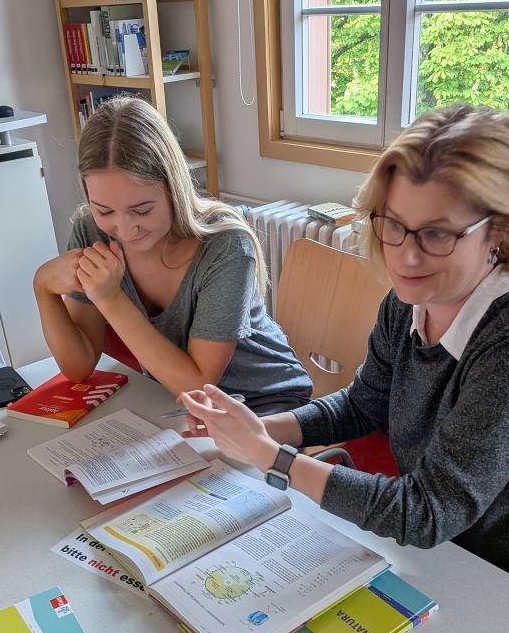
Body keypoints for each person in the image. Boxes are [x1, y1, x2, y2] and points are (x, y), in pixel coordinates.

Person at [179, 104, 509, 630]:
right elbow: (366, 403)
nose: (406, 258)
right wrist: (256, 429)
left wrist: (269, 457)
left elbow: (427, 511)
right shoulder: (410, 300)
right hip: (455, 556)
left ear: (499, 230)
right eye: (394, 225)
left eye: (437, 234)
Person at [33, 98, 311, 414]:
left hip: (266, 402)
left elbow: (198, 384)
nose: (125, 230)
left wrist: (110, 300)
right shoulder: (91, 233)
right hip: (178, 404)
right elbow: (79, 368)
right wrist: (43, 289)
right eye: (104, 210)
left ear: (173, 187)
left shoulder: (226, 246)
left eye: (142, 210)